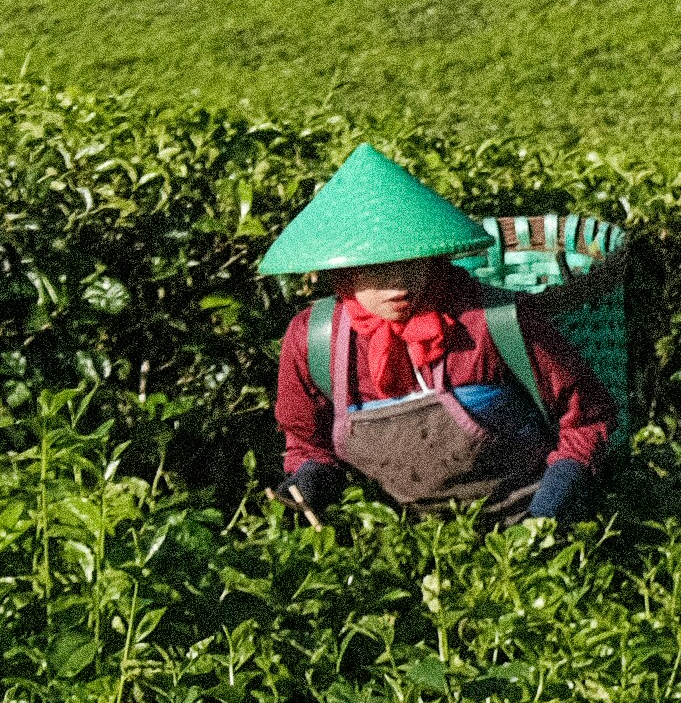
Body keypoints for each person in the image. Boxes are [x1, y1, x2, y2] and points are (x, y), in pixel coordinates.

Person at [260, 144, 609, 525]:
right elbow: (308, 443)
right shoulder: (314, 340)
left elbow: (588, 419)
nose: (399, 284)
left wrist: (548, 515)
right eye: (377, 269)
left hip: (527, 523)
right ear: (343, 272)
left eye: (412, 262)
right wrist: (311, 480)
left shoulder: (493, 322)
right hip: (406, 536)